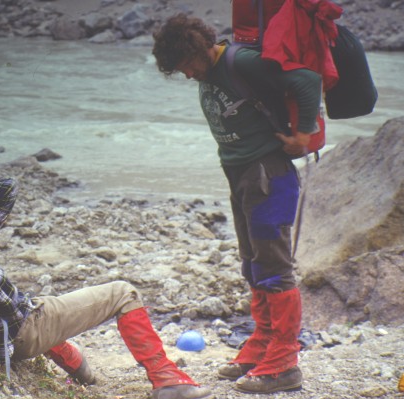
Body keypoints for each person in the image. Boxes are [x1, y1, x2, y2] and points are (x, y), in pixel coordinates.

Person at [0, 150, 211, 399]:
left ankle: (81, 370)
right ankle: (167, 380)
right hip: (21, 330)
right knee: (124, 293)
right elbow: (7, 189)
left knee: (37, 302)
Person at [151, 14, 322, 394]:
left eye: (187, 66)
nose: (188, 75)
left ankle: (284, 363)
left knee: (274, 266)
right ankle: (262, 346)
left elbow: (308, 82)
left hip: (268, 173)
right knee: (253, 263)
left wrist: (303, 134)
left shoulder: (240, 62)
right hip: (241, 174)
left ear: (198, 49)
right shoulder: (210, 71)